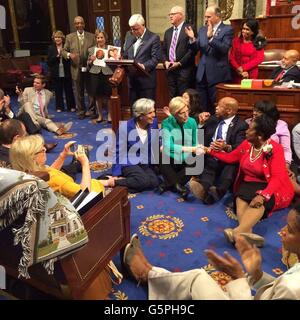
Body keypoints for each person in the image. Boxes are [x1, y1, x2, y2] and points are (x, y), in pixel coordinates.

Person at [123, 204, 300, 300]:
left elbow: (286, 289)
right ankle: (151, 273)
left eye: (290, 230)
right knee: (199, 280)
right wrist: (258, 275)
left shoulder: (292, 288)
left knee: (197, 279)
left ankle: (147, 274)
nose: (281, 230)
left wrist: (239, 278)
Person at [201, 115, 294, 246]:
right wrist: (210, 151)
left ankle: (237, 232)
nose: (246, 131)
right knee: (240, 197)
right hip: (248, 183)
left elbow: (277, 178)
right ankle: (247, 235)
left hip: (269, 186)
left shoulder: (276, 149)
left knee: (256, 203)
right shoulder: (247, 144)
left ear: (260, 136)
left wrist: (263, 195)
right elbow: (230, 158)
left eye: (250, 130)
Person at [9, 135, 114, 199]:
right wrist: (85, 164)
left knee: (93, 181)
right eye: (42, 150)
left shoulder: (26, 170)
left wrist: (63, 155)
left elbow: (49, 171)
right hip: (74, 205)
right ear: (32, 158)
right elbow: (83, 192)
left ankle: (102, 181)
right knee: (95, 186)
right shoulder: (53, 178)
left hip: (60, 197)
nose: (45, 150)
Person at [189, 97, 248, 204]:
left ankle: (217, 193)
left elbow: (240, 147)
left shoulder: (241, 125)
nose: (216, 108)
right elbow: (199, 138)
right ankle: (204, 188)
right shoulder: (213, 120)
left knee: (229, 170)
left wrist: (225, 146)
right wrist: (201, 124)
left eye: (219, 106)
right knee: (208, 170)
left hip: (228, 158)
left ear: (229, 110)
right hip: (211, 155)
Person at [185, 5, 233, 114]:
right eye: (205, 17)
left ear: (217, 16)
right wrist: (192, 39)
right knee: (201, 106)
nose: (206, 19)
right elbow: (197, 48)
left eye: (209, 17)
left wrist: (211, 37)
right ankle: (203, 129)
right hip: (202, 74)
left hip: (217, 74)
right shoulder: (202, 29)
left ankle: (215, 129)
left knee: (216, 106)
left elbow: (224, 49)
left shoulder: (227, 29)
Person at [111, 98, 160, 193]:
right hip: (128, 161)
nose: (153, 115)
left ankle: (128, 182)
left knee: (154, 182)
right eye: (150, 113)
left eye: (154, 111)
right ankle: (112, 182)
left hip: (145, 162)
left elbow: (156, 143)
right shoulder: (125, 127)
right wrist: (115, 173)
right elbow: (119, 151)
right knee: (144, 180)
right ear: (140, 116)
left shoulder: (154, 123)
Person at [159, 96, 198, 198]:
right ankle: (178, 185)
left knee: (197, 159)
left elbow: (195, 143)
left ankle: (168, 184)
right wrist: (189, 148)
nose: (186, 115)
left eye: (187, 111)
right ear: (174, 114)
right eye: (182, 113)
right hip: (172, 157)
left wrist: (195, 149)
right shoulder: (166, 123)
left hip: (185, 158)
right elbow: (168, 146)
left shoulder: (192, 121)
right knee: (161, 154)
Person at [123, 14, 161, 107]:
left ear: (143, 25)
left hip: (146, 82)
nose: (133, 31)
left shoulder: (153, 38)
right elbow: (125, 55)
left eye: (135, 29)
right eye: (131, 29)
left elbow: (155, 59)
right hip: (132, 82)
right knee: (135, 111)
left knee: (147, 112)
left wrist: (144, 66)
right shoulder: (129, 39)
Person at [62, 16, 96, 119]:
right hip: (76, 68)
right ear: (75, 25)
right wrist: (69, 55)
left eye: (81, 23)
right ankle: (81, 111)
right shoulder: (69, 37)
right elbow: (63, 51)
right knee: (78, 91)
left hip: (89, 68)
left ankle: (91, 111)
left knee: (91, 91)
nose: (79, 25)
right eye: (77, 23)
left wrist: (94, 57)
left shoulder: (91, 36)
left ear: (84, 24)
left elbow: (96, 50)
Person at [162, 6, 195, 98]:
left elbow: (192, 51)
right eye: (170, 14)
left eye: (173, 14)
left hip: (184, 70)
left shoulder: (189, 28)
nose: (170, 16)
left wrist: (180, 63)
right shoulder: (168, 32)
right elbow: (163, 50)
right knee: (172, 99)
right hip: (170, 70)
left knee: (184, 98)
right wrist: (165, 61)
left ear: (180, 15)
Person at [246, 100, 292, 166]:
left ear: (268, 114)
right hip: (251, 159)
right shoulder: (247, 122)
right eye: (254, 110)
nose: (254, 113)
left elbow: (286, 149)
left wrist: (286, 165)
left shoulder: (281, 125)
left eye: (259, 112)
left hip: (273, 159)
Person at [229, 19, 266, 83]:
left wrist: (243, 68)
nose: (244, 31)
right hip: (236, 72)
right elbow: (231, 57)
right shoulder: (236, 41)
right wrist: (238, 69)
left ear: (253, 31)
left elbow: (259, 59)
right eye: (243, 29)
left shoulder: (258, 42)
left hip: (251, 74)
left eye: (247, 29)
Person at [87, 30, 113, 123]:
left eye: (102, 37)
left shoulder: (110, 49)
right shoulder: (91, 50)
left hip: (107, 73)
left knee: (108, 96)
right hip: (95, 74)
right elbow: (88, 65)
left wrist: (114, 58)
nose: (100, 39)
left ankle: (110, 115)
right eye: (98, 37)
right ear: (96, 39)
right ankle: (100, 116)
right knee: (98, 96)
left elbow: (115, 62)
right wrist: (91, 61)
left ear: (105, 39)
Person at [47, 30, 76, 112]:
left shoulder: (66, 47)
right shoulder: (51, 48)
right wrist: (57, 56)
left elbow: (70, 58)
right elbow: (49, 62)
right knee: (58, 90)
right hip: (56, 72)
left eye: (59, 37)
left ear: (62, 38)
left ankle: (71, 106)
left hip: (67, 71)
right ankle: (59, 107)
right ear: (54, 38)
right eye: (56, 37)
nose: (57, 39)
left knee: (69, 89)